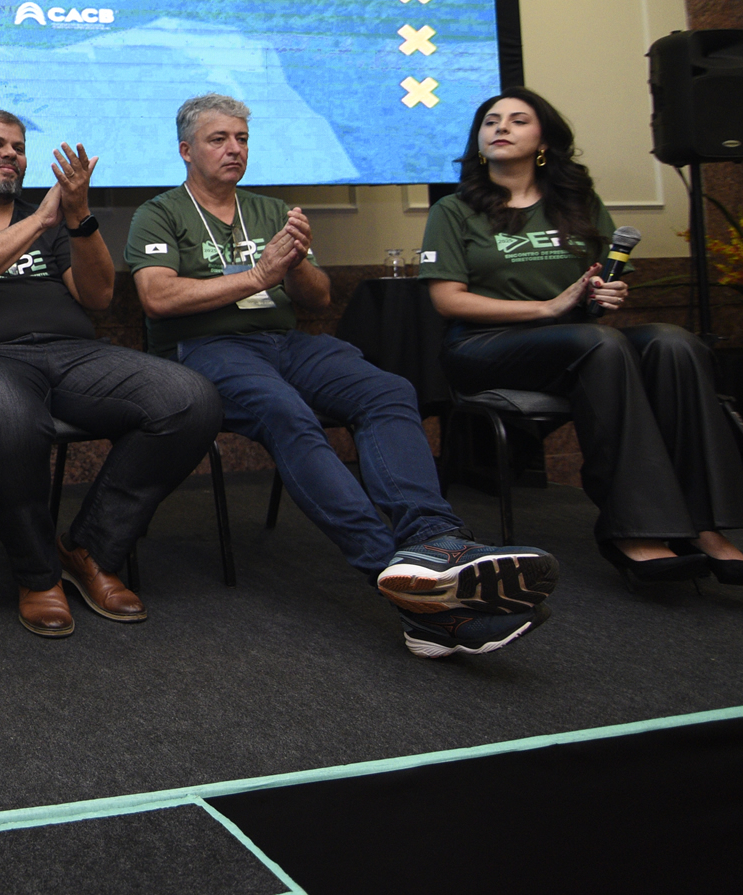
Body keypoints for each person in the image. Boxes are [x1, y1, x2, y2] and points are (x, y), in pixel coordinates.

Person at [129, 93, 560, 658]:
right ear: (187, 150)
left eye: (242, 139)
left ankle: (436, 541)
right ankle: (396, 574)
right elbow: (158, 298)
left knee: (388, 390)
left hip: (284, 342)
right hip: (208, 348)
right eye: (219, 139)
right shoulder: (159, 212)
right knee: (286, 412)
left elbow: (318, 298)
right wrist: (258, 275)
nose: (235, 149)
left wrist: (296, 264)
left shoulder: (271, 209)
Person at [421, 87, 743, 587]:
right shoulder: (454, 209)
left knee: (673, 343)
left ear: (544, 141)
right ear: (479, 141)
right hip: (482, 346)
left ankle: (705, 526)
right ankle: (634, 530)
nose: (501, 127)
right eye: (491, 121)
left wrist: (604, 295)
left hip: (573, 341)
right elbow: (447, 300)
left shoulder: (578, 204)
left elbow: (594, 290)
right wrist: (548, 308)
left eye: (518, 120)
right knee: (598, 344)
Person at [0, 109, 220, 638]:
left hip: (71, 355)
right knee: (4, 412)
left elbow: (97, 297)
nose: (10, 153)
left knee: (189, 398)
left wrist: (79, 217)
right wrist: (39, 222)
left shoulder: (54, 223)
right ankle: (38, 574)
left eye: (19, 147)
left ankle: (91, 551)